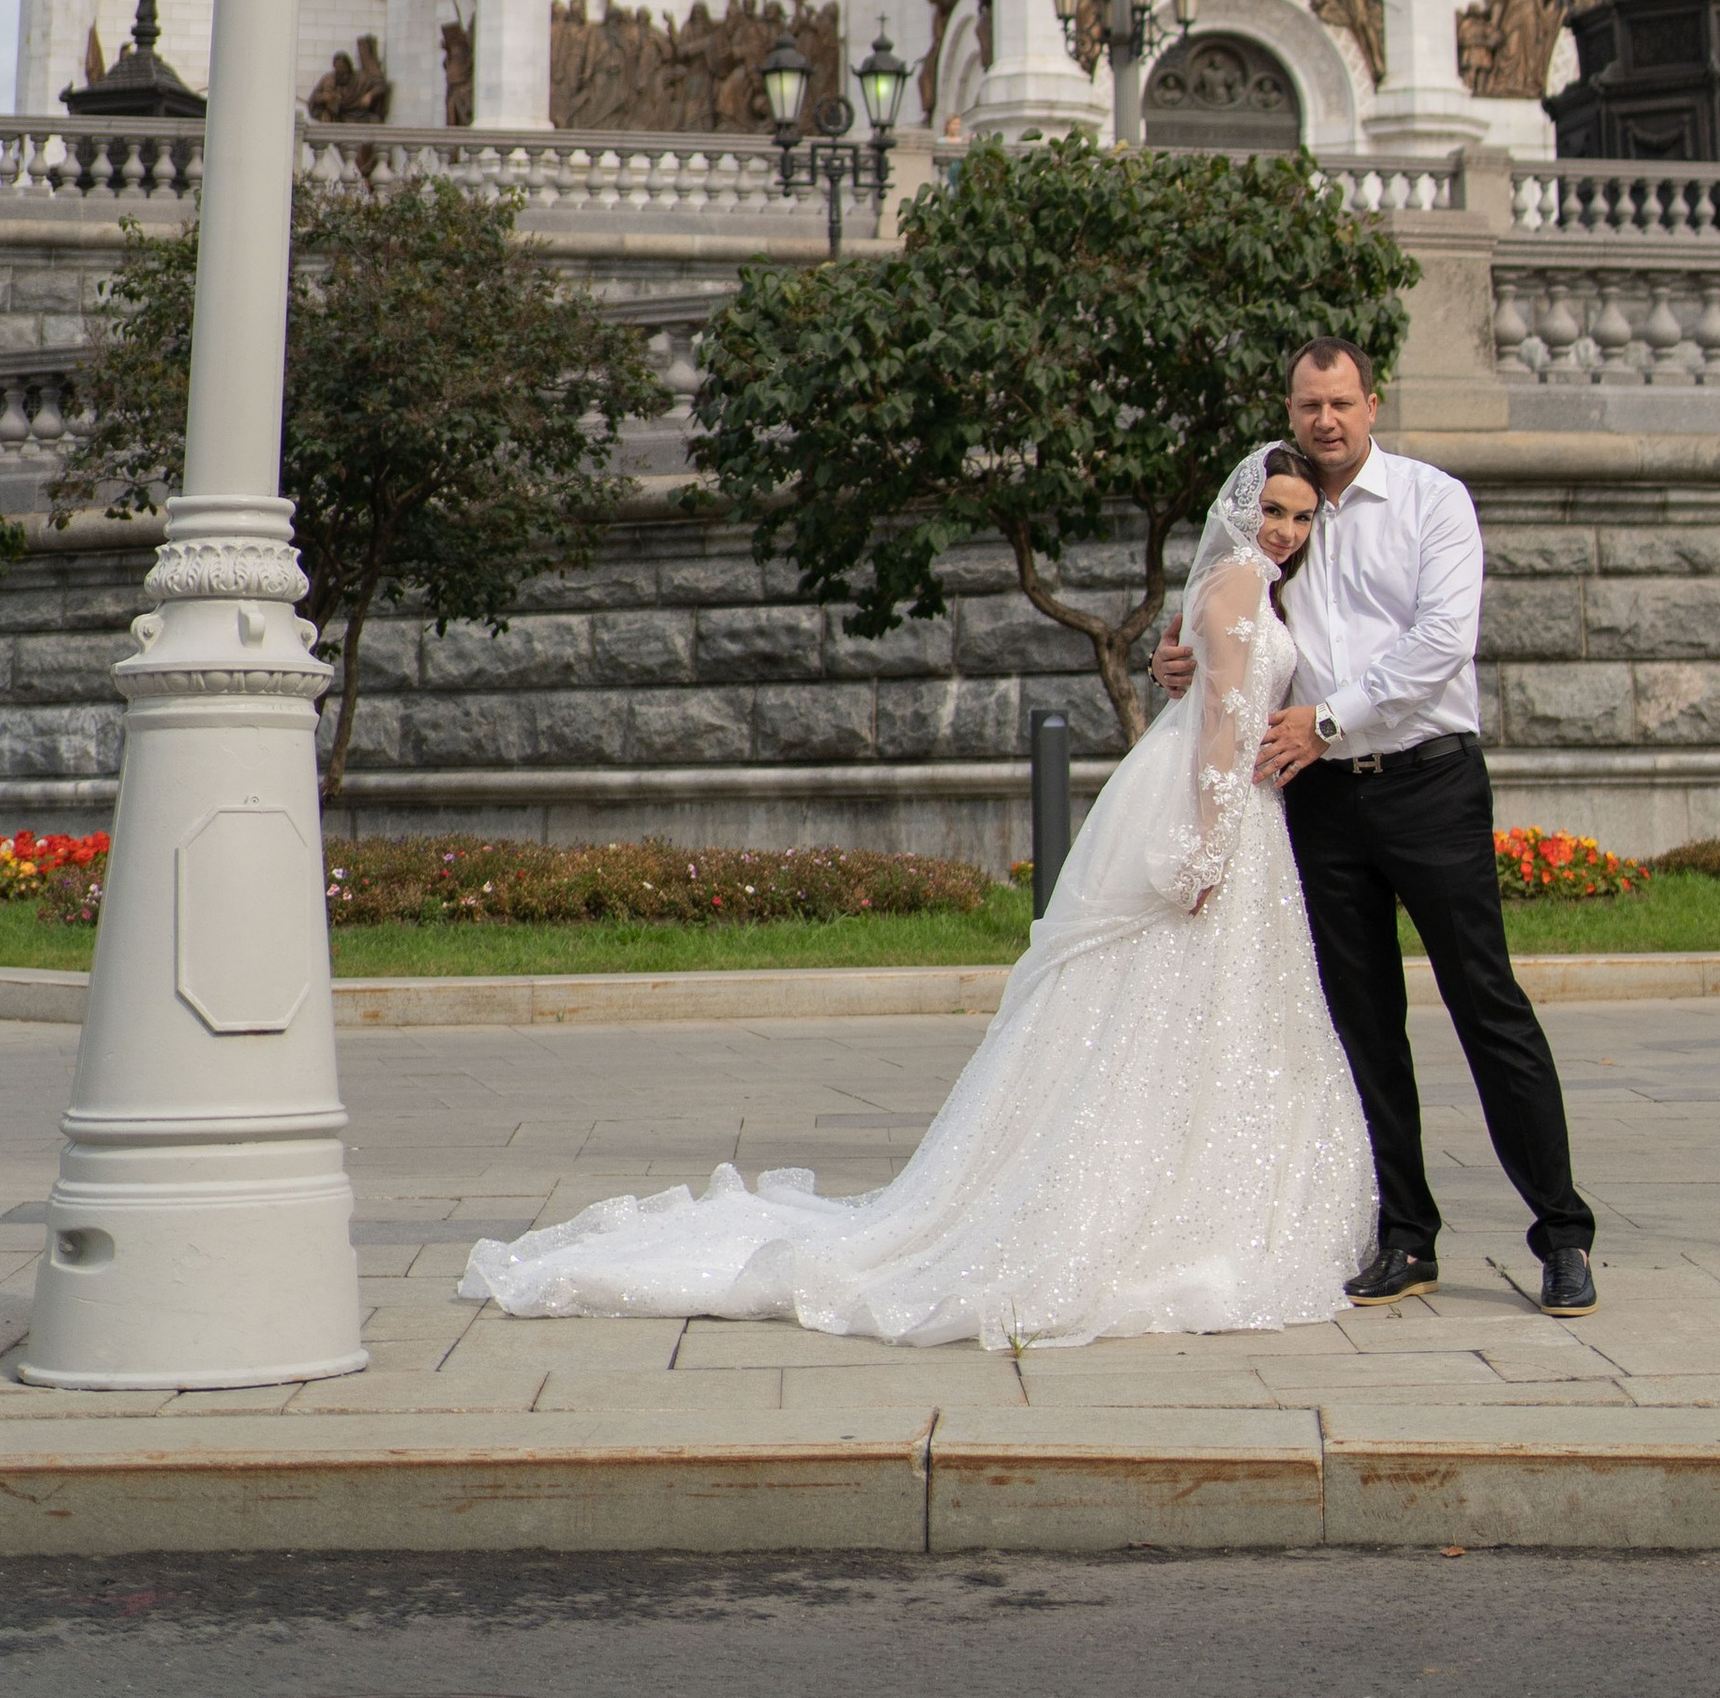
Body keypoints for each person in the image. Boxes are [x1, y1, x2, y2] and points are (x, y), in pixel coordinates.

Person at [458, 446, 1373, 1349]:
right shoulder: (1240, 586)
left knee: (1199, 1012)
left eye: (1300, 516)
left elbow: (1204, 687)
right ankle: (1160, 1205)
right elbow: (1218, 718)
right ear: (1243, 511)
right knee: (1175, 1004)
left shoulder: (1238, 583)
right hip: (1212, 803)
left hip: (1230, 802)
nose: (1286, 530)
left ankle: (1183, 1192)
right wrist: (1211, 839)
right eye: (1274, 512)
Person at [1154, 340, 1598, 1313]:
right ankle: (1407, 1235)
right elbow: (1232, 620)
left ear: (1372, 404)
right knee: (1364, 1025)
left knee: (1489, 1006)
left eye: (1342, 403)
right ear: (1290, 404)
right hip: (1317, 800)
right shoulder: (1281, 514)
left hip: (1429, 786)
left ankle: (1561, 1232)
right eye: (1309, 403)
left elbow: (1443, 643)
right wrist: (1186, 658)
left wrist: (1326, 716)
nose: (1326, 421)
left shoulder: (1434, 502)